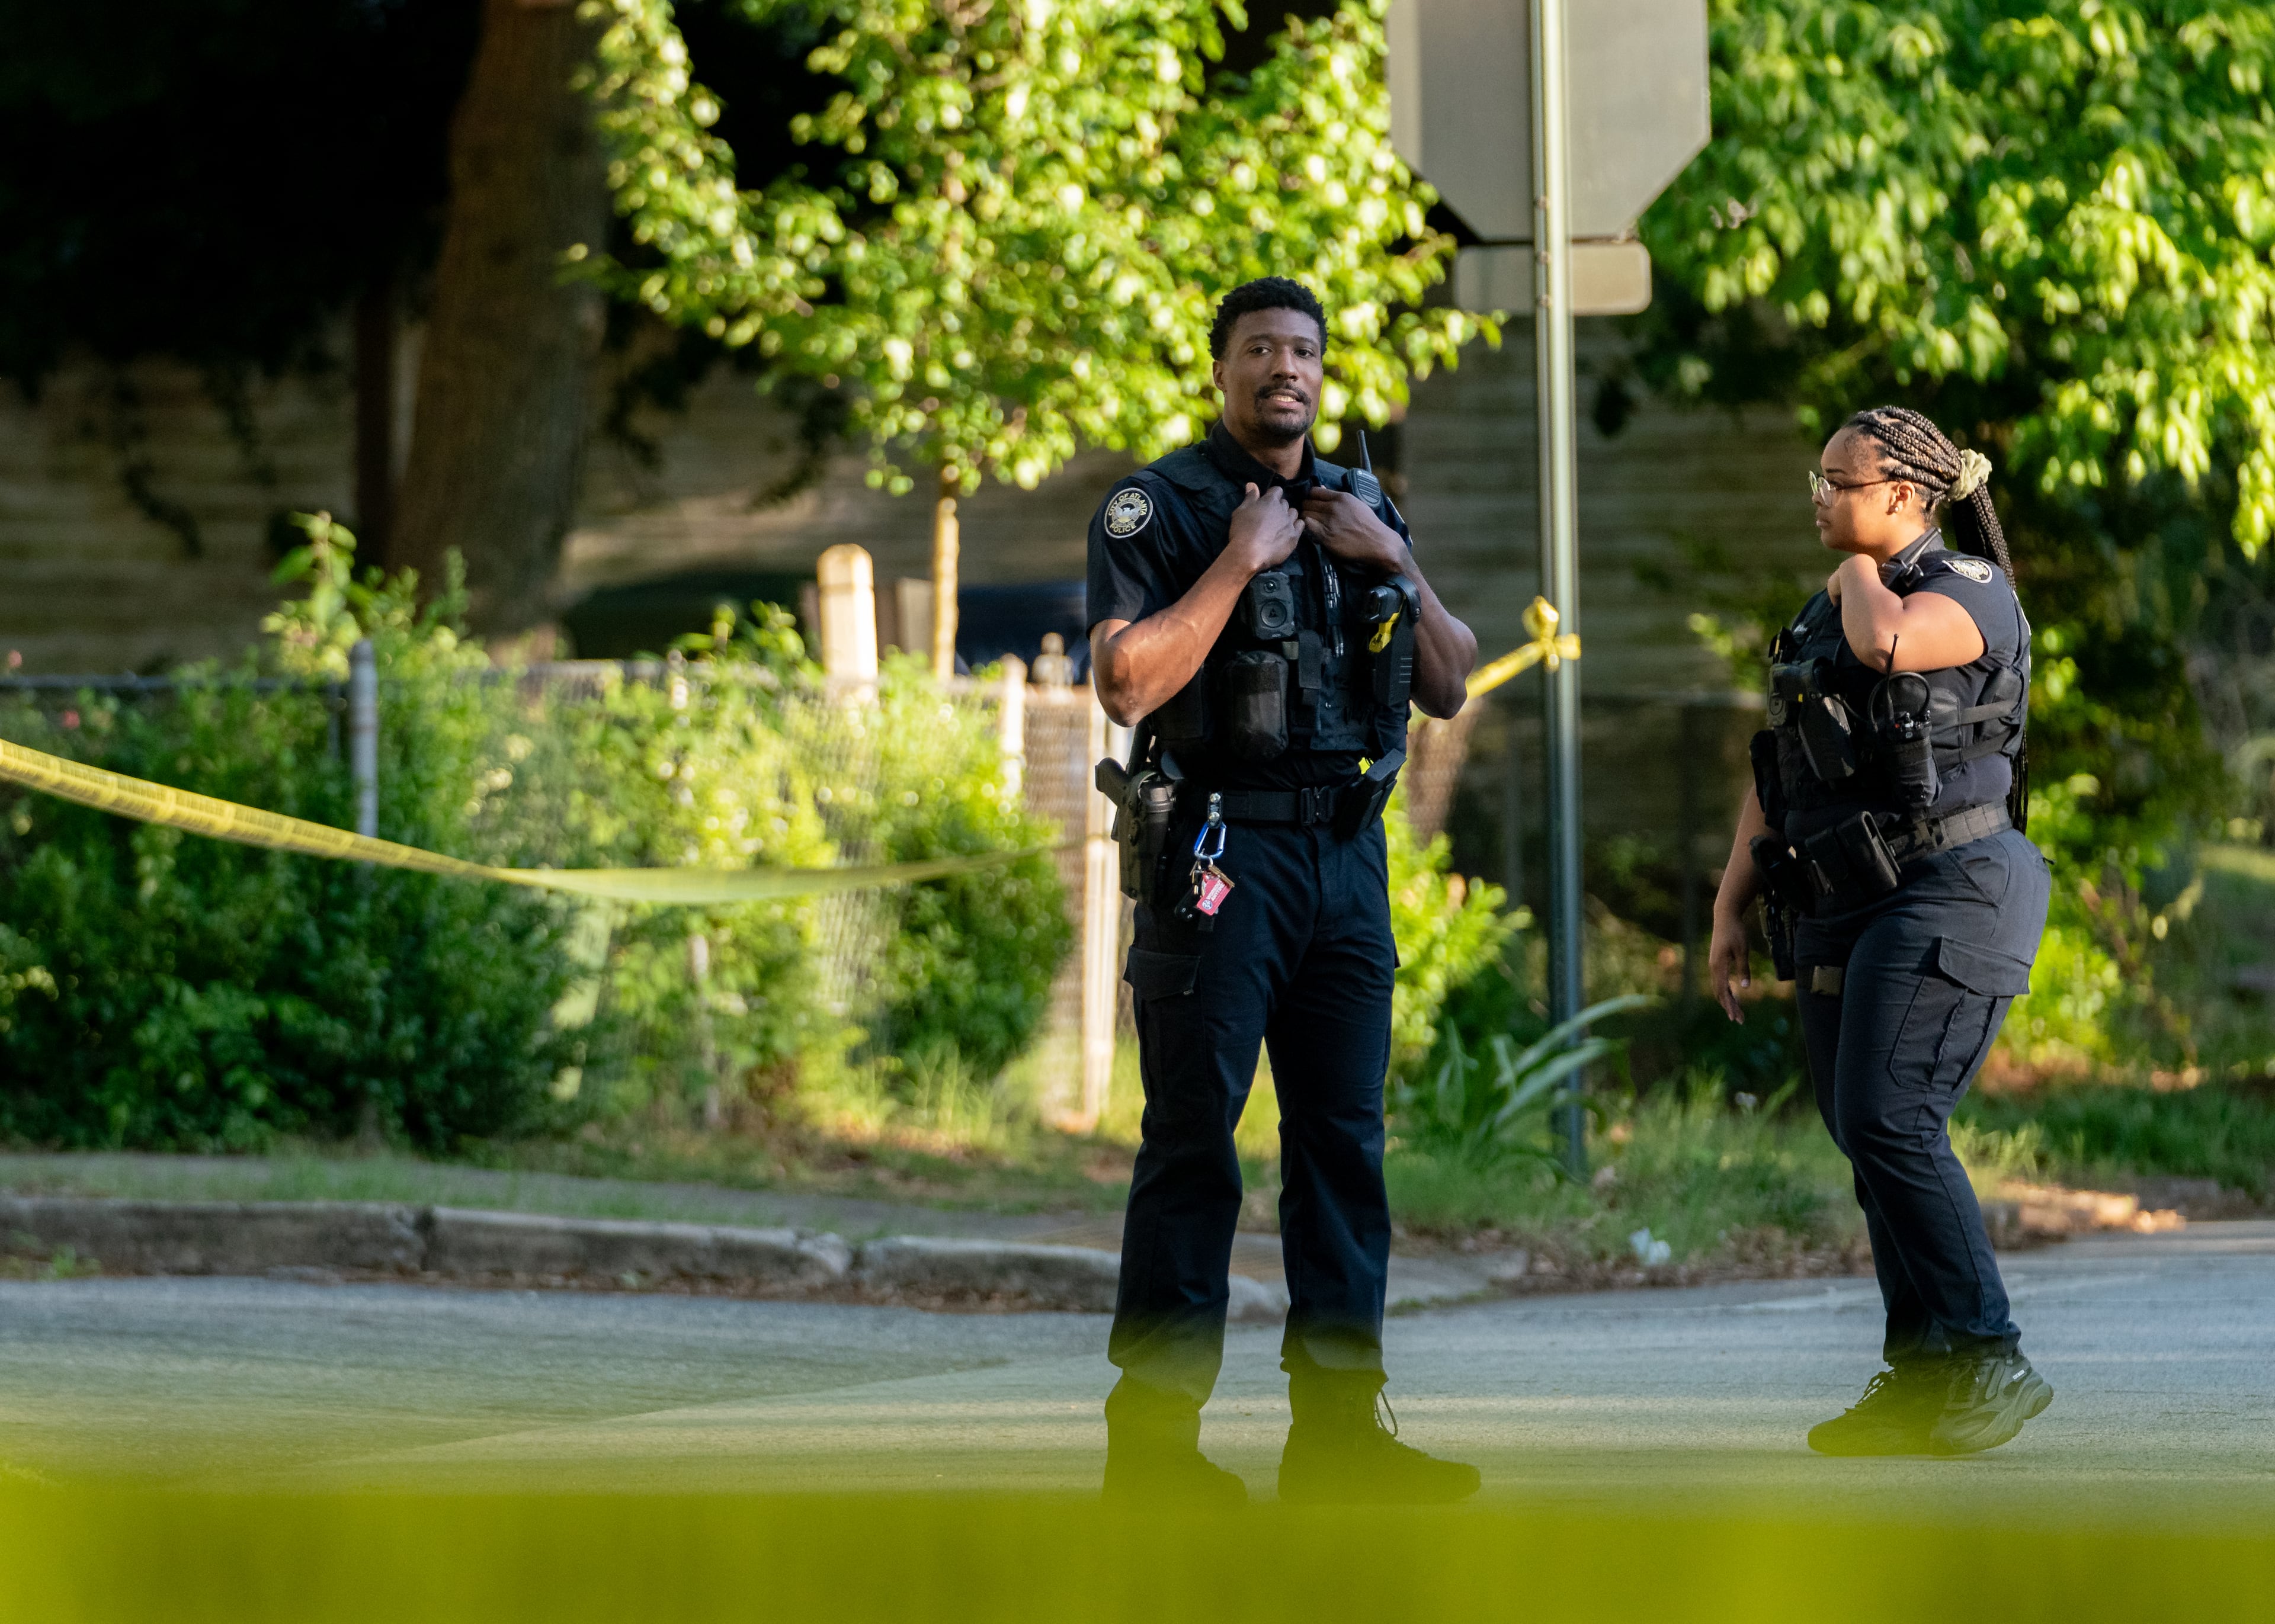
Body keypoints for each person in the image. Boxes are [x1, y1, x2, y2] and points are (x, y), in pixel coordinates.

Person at [1085, 277, 1481, 1504]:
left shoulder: (1363, 502)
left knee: (1344, 1150)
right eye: (1260, 349)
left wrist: (1395, 561)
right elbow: (1128, 684)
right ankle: (1154, 1453)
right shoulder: (1161, 506)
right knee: (1195, 1146)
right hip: (1218, 855)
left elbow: (1453, 684)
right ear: (1223, 371)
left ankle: (1339, 1441)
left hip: (1348, 863)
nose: (1285, 370)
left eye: (1303, 351)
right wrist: (1239, 560)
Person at [1706, 405, 2054, 1457]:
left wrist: (1860, 571)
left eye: (1837, 483)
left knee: (1890, 1116)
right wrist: (1729, 903)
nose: (1818, 496)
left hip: (1956, 885)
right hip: (1842, 898)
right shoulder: (1825, 612)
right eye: (1818, 479)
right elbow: (1783, 770)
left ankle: (1990, 1355)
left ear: (1903, 498)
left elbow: (1889, 642)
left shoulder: (1968, 591)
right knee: (1867, 1138)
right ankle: (1924, 1371)